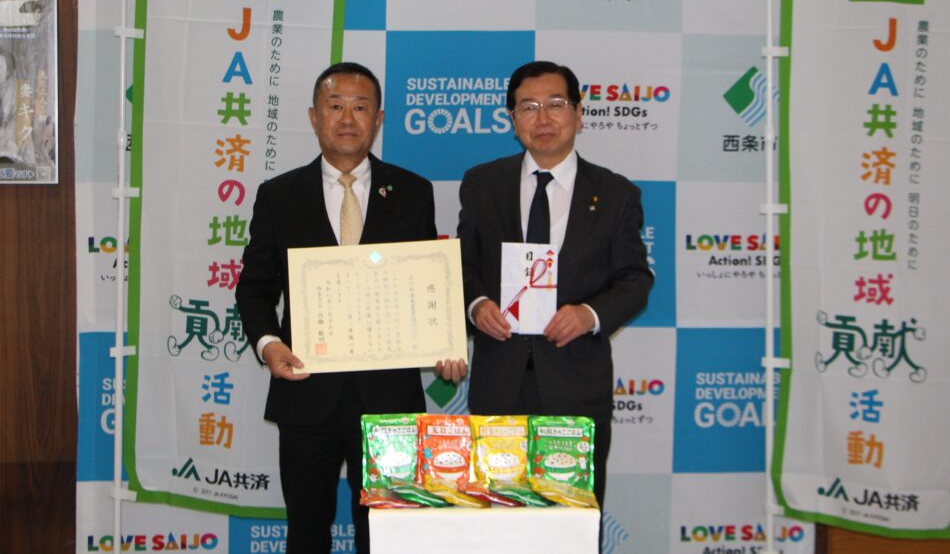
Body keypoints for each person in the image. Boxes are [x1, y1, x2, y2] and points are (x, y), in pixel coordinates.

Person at [237, 62, 435, 554]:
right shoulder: (279, 196)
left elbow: (426, 284)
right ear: (314, 116)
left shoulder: (413, 192)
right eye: (336, 106)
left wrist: (444, 340)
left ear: (378, 119)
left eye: (361, 107)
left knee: (387, 535)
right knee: (306, 532)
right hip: (306, 391)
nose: (348, 118)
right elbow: (255, 288)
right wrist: (269, 345)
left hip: (389, 395)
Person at [439, 60, 653, 507]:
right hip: (500, 381)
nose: (543, 119)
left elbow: (635, 279)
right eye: (528, 107)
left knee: (573, 519)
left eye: (555, 104)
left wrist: (589, 314)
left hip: (576, 384)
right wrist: (476, 305)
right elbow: (462, 265)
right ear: (512, 119)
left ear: (578, 113)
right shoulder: (482, 183)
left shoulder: (616, 193)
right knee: (500, 518)